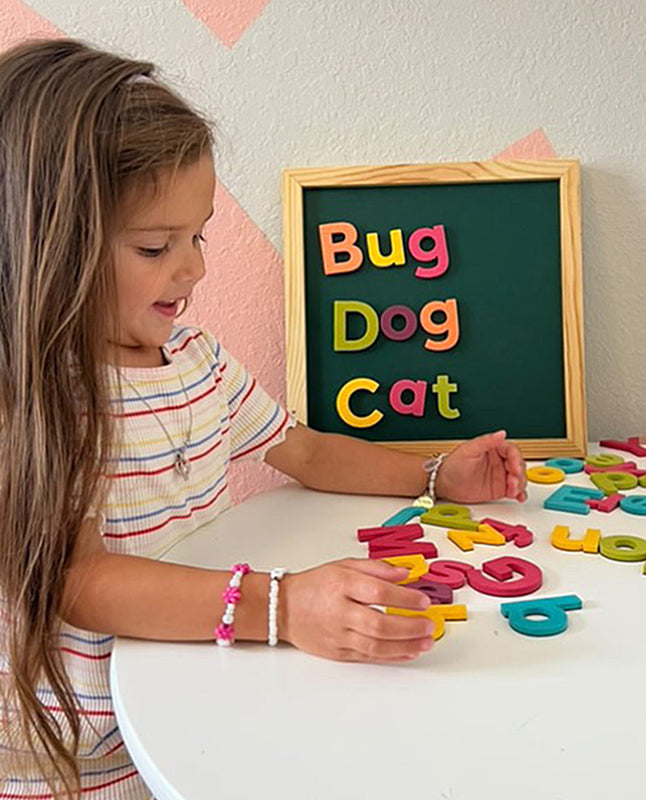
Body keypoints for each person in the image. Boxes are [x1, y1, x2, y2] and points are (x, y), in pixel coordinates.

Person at [0, 39, 528, 799]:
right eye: (156, 246)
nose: (194, 269)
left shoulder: (195, 359)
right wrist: (285, 604)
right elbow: (82, 583)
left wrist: (434, 473)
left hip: (192, 706)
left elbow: (304, 451)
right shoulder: (31, 396)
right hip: (70, 764)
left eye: (200, 234)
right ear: (47, 243)